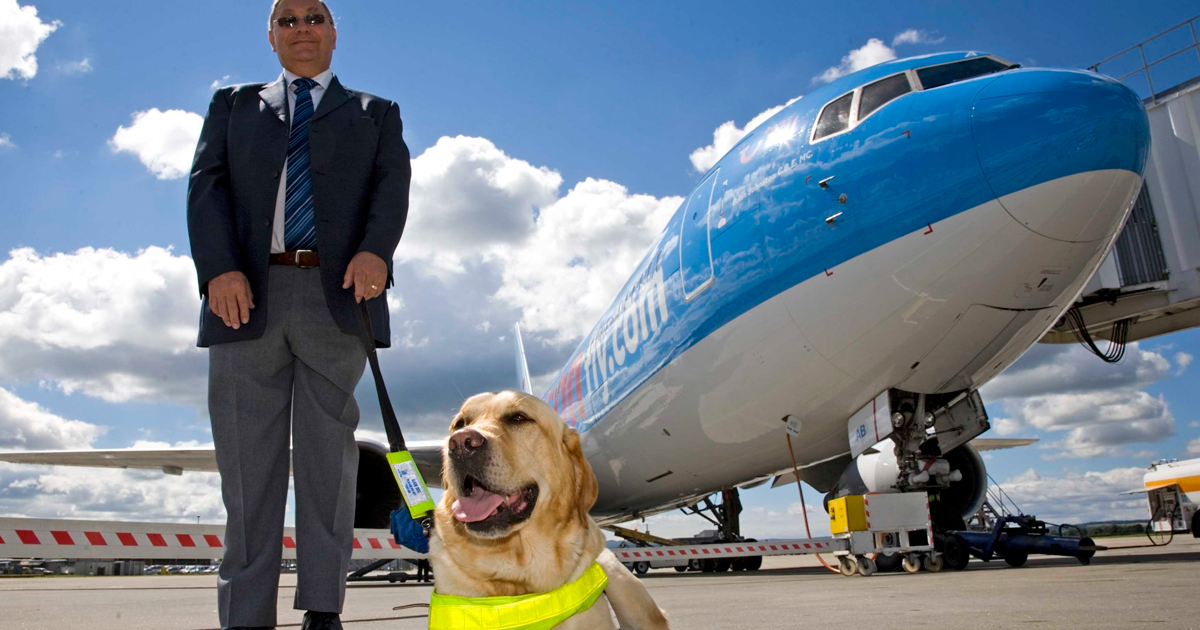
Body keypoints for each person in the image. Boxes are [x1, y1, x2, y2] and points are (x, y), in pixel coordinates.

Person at [187, 1, 410, 628]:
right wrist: (219, 270)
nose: (301, 28)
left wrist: (375, 254)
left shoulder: (376, 114)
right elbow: (206, 190)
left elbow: (391, 192)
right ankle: (246, 615)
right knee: (246, 471)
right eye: (287, 19)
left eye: (314, 17)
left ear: (334, 33)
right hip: (242, 300)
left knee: (326, 465)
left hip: (337, 298)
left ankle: (322, 608)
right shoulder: (232, 106)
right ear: (271, 37)